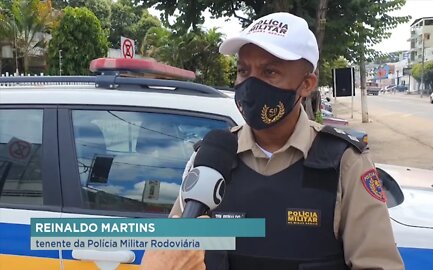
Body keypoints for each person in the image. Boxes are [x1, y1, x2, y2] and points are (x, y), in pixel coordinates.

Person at [141, 12, 404, 270]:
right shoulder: (212, 159)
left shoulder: (345, 164)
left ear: (306, 84)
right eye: (244, 71)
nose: (251, 84)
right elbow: (176, 254)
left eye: (270, 72)